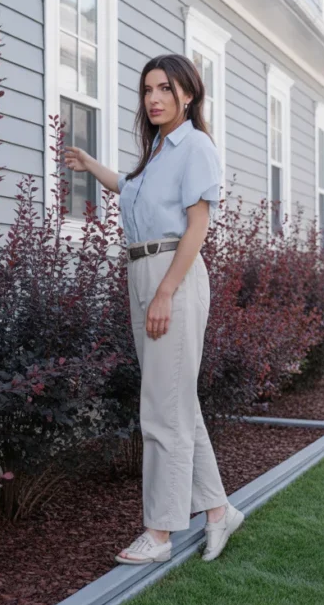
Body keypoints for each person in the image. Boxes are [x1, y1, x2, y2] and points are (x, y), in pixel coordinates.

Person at [65, 54, 244, 564]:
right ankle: (216, 511)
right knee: (175, 400)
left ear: (188, 94)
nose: (154, 98)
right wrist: (90, 165)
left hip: (174, 275)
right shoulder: (158, 150)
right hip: (142, 271)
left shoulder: (196, 146)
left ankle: (160, 532)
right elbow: (131, 188)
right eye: (147, 90)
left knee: (162, 409)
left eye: (164, 88)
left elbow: (197, 227)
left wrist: (166, 290)